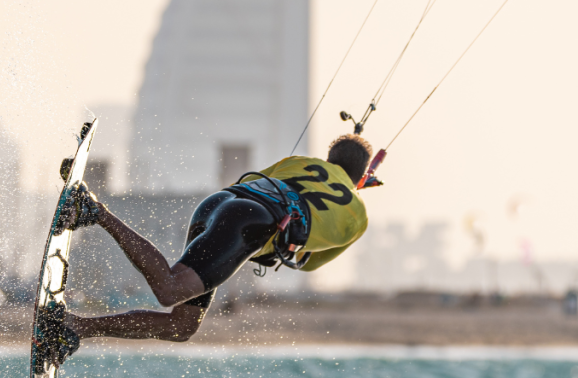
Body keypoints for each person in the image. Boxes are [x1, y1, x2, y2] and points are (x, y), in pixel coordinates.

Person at [38, 134, 372, 364]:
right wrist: (350, 200)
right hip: (249, 223)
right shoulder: (357, 216)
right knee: (170, 290)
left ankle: (75, 326)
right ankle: (93, 210)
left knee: (182, 326)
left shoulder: (301, 162)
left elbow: (257, 184)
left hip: (219, 203)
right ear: (360, 179)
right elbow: (307, 263)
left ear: (330, 159)